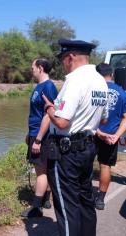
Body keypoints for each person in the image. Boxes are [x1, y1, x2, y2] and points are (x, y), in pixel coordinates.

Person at [42, 39, 108, 236]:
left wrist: (49, 108)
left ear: (70, 57)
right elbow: (103, 120)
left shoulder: (74, 80)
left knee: (67, 206)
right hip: (87, 148)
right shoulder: (100, 82)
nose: (63, 63)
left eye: (63, 59)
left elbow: (62, 122)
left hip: (67, 152)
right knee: (85, 201)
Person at [21, 58, 58, 218]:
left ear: (40, 68)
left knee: (41, 172)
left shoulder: (48, 87)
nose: (32, 70)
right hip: (35, 133)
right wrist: (30, 134)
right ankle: (46, 199)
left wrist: (37, 139)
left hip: (41, 137)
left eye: (32, 67)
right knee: (46, 169)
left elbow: (49, 115)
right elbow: (37, 113)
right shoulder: (41, 86)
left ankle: (36, 208)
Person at [95, 63, 126, 210]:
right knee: (105, 165)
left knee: (85, 164)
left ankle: (83, 194)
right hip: (110, 136)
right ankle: (100, 199)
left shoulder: (94, 90)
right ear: (112, 75)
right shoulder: (122, 92)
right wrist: (116, 136)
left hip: (92, 133)